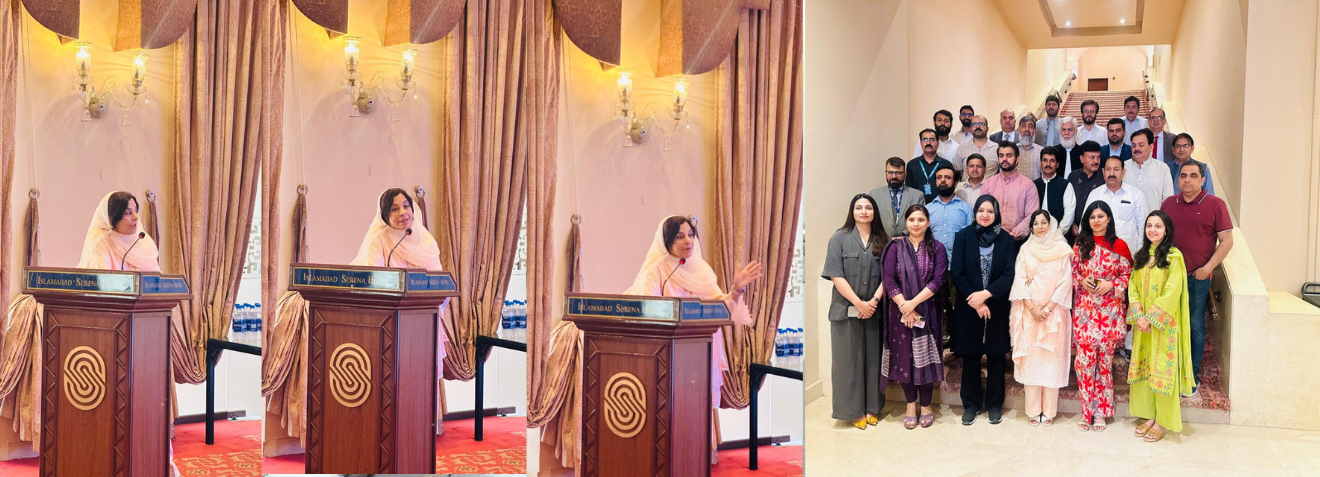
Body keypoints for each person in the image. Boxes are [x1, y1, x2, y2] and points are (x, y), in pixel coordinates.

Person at [624, 216, 763, 458]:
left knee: (694, 411)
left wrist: (736, 289)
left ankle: (691, 459)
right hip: (665, 357)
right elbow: (647, 312)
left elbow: (722, 309)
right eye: (680, 236)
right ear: (667, 242)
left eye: (690, 234)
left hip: (698, 355)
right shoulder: (657, 272)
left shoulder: (702, 270)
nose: (688, 241)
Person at [77, 192, 179, 477]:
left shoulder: (144, 244)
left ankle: (153, 465)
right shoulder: (101, 244)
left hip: (147, 340)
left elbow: (157, 287)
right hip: (110, 339)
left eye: (136, 211)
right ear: (112, 219)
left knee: (148, 406)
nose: (135, 218)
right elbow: (99, 292)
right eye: (127, 213)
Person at [350, 188, 452, 435]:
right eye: (394, 209)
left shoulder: (425, 241)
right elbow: (371, 282)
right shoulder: (379, 241)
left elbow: (441, 285)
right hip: (388, 326)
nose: (403, 213)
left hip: (422, 324)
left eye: (406, 206)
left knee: (420, 383)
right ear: (384, 215)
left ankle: (418, 432)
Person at [1161, 161, 1233, 392]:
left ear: (1202, 180)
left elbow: (1227, 241)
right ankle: (1171, 370)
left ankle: (1191, 375)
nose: (1187, 180)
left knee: (1194, 326)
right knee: (1170, 324)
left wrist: (1208, 268)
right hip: (1170, 278)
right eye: (1183, 175)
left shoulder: (1215, 204)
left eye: (1193, 176)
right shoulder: (1169, 203)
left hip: (1197, 278)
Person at [1128, 210, 1196, 443]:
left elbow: (1172, 291)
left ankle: (1164, 421)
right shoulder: (1140, 257)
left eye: (1158, 226)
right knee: (1146, 368)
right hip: (1143, 326)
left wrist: (1150, 317)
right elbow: (1132, 287)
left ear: (1166, 230)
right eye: (1149, 225)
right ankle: (1149, 415)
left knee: (1162, 371)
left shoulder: (1173, 257)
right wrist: (1139, 315)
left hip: (1163, 326)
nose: (1153, 230)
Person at [823, 194, 889, 429]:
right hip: (845, 311)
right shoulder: (839, 238)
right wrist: (859, 303)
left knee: (873, 361)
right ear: (852, 211)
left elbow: (889, 276)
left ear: (874, 211)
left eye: (868, 207)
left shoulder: (884, 238)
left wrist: (873, 301)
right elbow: (835, 275)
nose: (863, 211)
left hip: (874, 310)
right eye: (859, 207)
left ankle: (872, 407)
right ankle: (852, 411)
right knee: (848, 362)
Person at [950, 196, 1017, 426]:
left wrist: (986, 294)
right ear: (975, 213)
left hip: (996, 305)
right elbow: (957, 273)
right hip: (969, 306)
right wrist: (976, 301)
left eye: (990, 211)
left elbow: (1009, 274)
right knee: (971, 356)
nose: (985, 215)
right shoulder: (963, 236)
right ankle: (971, 404)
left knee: (996, 356)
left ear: (996, 214)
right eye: (981, 210)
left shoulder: (1007, 239)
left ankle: (994, 405)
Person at [881, 205, 948, 430]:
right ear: (906, 223)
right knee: (905, 358)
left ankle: (926, 406)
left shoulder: (937, 248)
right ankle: (910, 405)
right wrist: (905, 306)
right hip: (900, 312)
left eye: (921, 220)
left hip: (927, 310)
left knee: (925, 358)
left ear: (928, 223)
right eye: (912, 219)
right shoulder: (895, 247)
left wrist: (913, 304)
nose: (916, 224)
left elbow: (938, 281)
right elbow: (888, 279)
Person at [1009, 211, 1074, 427]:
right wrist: (1032, 308)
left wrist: (1047, 309)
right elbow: (1019, 280)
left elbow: (1065, 282)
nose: (1039, 227)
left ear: (1051, 224)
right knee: (1032, 362)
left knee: (1051, 361)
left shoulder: (1062, 250)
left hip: (1055, 315)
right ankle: (1033, 410)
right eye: (1035, 223)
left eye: (1043, 222)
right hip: (1030, 315)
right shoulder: (1026, 249)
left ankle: (1049, 411)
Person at [1072, 201, 1132, 432]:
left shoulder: (1119, 246)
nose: (1096, 221)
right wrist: (1081, 281)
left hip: (1109, 313)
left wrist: (1112, 284)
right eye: (1092, 217)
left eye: (1100, 216)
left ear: (1109, 219)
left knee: (1104, 365)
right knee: (1084, 364)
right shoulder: (1080, 245)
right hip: (1085, 313)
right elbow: (1073, 273)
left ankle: (1101, 412)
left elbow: (1127, 275)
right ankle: (1086, 410)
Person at [1084, 156, 1148, 255]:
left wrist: (1140, 252)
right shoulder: (1095, 194)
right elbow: (1084, 224)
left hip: (1129, 252)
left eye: (1116, 169)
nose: (1112, 174)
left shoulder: (1136, 194)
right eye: (1108, 169)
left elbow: (1142, 225)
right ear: (1103, 171)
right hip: (1099, 255)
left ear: (1123, 172)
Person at [980, 142, 1040, 240]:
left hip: (1017, 241)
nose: (1004, 159)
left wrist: (1012, 235)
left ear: (1017, 159)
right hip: (991, 239)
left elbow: (1031, 215)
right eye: (1001, 156)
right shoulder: (988, 183)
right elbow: (982, 211)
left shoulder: (1028, 185)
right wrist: (994, 232)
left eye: (1009, 155)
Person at [927, 165, 972, 265]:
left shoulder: (966, 209)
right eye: (939, 177)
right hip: (933, 265)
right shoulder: (927, 209)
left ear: (955, 183)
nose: (942, 180)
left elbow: (971, 239)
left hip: (959, 264)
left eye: (947, 177)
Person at [870, 157, 926, 238]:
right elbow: (871, 221)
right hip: (882, 240)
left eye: (898, 173)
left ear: (905, 174)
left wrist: (904, 235)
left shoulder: (917, 196)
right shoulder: (874, 195)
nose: (894, 176)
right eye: (890, 172)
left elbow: (921, 220)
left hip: (909, 240)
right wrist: (886, 237)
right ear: (886, 173)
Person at [1125, 129, 1176, 211]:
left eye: (1141, 145)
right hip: (1127, 218)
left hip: (1153, 217)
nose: (1136, 149)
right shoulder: (1122, 167)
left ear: (1151, 147)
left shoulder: (1162, 168)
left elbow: (1168, 200)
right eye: (1134, 145)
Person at [1067, 141, 1106, 241]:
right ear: (1082, 159)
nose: (1096, 161)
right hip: (1074, 230)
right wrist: (1071, 223)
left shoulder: (1104, 176)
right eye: (1091, 157)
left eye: (1098, 157)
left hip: (1097, 229)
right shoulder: (1073, 176)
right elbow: (1068, 202)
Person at [1035, 146, 1076, 234]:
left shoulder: (1066, 185)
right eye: (1045, 160)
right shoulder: (1034, 185)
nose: (1048, 164)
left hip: (1058, 235)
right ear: (1041, 163)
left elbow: (1069, 212)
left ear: (1057, 164)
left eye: (1052, 161)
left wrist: (1058, 232)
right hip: (1036, 234)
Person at [907, 128, 956, 203]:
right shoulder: (912, 164)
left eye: (932, 140)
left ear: (938, 143)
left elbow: (951, 187)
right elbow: (909, 189)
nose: (928, 143)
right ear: (921, 143)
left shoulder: (946, 164)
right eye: (925, 139)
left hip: (940, 204)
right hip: (917, 205)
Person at [1016, 114, 1043, 181]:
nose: (1027, 129)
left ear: (1035, 130)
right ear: (1018, 129)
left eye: (1030, 126)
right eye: (1023, 126)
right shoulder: (1012, 150)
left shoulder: (1042, 151)